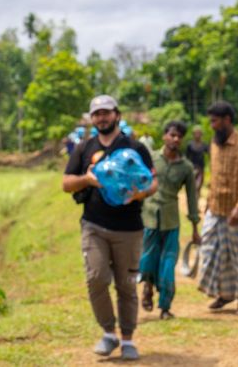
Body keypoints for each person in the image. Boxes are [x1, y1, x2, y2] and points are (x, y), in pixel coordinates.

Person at [62, 95, 158, 361]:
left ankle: (127, 338)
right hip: (94, 225)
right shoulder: (84, 148)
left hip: (130, 228)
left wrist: (140, 194)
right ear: (92, 119)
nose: (101, 118)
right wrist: (88, 179)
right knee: (96, 279)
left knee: (127, 285)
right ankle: (108, 333)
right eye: (97, 114)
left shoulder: (135, 147)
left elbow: (152, 182)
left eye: (106, 112)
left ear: (116, 114)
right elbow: (66, 183)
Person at [198, 101, 238, 316]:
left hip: (237, 213)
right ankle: (224, 295)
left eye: (215, 121)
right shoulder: (214, 144)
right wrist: (207, 206)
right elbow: (213, 177)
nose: (212, 125)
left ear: (227, 120)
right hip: (215, 209)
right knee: (211, 251)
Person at [139, 120, 200, 320]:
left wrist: (195, 226)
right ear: (164, 136)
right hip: (148, 217)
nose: (175, 139)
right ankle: (147, 286)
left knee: (168, 264)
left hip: (171, 221)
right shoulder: (150, 159)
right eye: (172, 135)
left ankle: (165, 307)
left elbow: (192, 198)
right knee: (148, 259)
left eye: (179, 136)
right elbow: (139, 183)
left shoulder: (186, 167)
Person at [185, 126, 210, 193]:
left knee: (198, 186)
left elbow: (210, 153)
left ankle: (197, 200)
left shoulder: (204, 145)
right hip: (192, 168)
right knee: (192, 186)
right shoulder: (190, 145)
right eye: (196, 133)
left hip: (201, 168)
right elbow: (187, 157)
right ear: (193, 134)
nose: (197, 135)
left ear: (201, 134)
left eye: (199, 133)